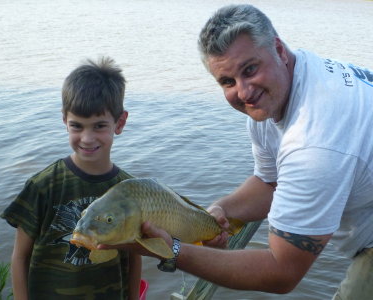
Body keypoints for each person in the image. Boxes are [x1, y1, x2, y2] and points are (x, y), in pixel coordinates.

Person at [98, 4, 373, 299]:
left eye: (250, 69)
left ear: (279, 50)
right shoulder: (277, 96)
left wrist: (171, 250)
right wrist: (218, 212)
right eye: (227, 81)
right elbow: (270, 182)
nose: (243, 92)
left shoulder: (316, 141)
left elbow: (282, 272)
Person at [1, 57, 141, 300]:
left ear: (120, 123)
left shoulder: (129, 191)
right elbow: (20, 256)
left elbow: (134, 255)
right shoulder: (43, 186)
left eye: (99, 126)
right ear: (64, 120)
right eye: (77, 126)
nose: (87, 138)